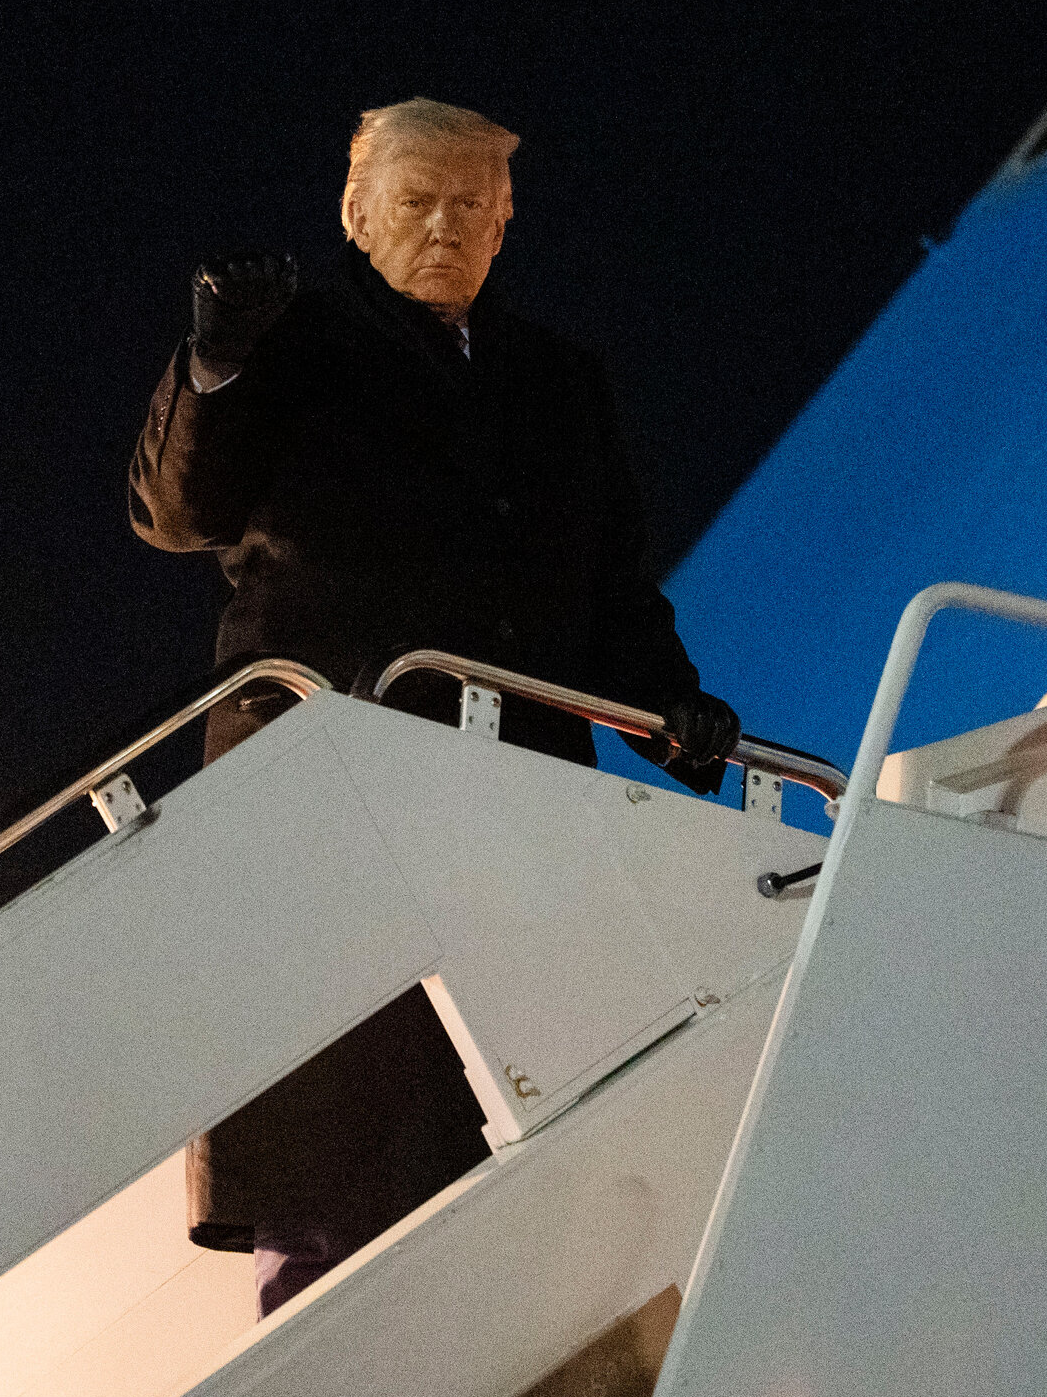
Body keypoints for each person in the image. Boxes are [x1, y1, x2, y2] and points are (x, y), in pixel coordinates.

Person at [128, 96, 741, 1316]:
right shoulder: (287, 348)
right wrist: (217, 364)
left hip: (517, 805)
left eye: (472, 203)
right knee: (338, 1152)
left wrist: (671, 705)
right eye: (416, 201)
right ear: (356, 215)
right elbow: (175, 513)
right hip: (327, 798)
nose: (446, 225)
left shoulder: (560, 381)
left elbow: (606, 590)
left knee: (537, 1145)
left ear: (508, 224)